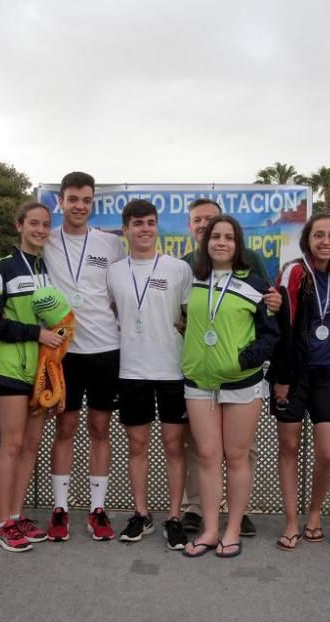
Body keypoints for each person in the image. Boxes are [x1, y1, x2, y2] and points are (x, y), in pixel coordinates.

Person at [181, 215, 278, 558]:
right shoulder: (189, 279)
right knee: (207, 456)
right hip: (198, 383)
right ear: (205, 243)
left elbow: (270, 335)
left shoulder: (254, 284)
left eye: (229, 238)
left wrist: (242, 360)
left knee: (236, 457)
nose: (221, 242)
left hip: (242, 383)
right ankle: (209, 529)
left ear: (238, 245)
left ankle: (232, 528)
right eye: (215, 237)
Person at [43, 172, 125, 542]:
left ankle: (97, 509)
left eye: (86, 200)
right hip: (64, 353)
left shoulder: (110, 245)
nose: (79, 206)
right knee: (65, 428)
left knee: (100, 429)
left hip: (106, 349)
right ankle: (60, 509)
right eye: (73, 199)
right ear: (60, 201)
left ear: (93, 203)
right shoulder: (45, 240)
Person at [106, 199, 192, 548]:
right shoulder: (114, 271)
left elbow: (190, 317)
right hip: (131, 370)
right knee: (137, 445)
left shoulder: (177, 269)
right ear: (126, 229)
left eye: (150, 223)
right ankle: (141, 514)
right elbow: (112, 312)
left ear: (158, 228)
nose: (145, 229)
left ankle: (174, 516)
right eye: (138, 223)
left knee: (174, 446)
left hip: (171, 369)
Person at [0, 201, 61, 552]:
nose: (40, 230)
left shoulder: (47, 268)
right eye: (34, 224)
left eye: (45, 224)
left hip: (42, 371)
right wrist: (35, 334)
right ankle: (1, 523)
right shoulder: (3, 269)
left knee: (30, 446)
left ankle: (15, 515)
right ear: (19, 225)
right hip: (11, 370)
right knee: (12, 446)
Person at [269, 213, 330, 549]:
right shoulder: (294, 271)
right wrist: (283, 376)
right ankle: (291, 521)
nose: (325, 241)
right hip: (294, 374)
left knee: (328, 452)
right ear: (308, 238)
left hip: (328, 373)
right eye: (319, 235)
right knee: (289, 448)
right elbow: (284, 326)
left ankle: (314, 512)